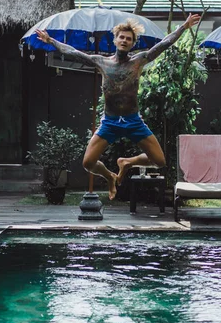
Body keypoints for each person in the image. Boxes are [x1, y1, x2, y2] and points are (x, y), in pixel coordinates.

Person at [36, 13, 200, 199]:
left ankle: (127, 163)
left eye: (128, 39)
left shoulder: (139, 61)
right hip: (110, 122)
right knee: (88, 163)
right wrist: (50, 41)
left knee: (159, 161)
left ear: (133, 44)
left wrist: (184, 26)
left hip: (133, 120)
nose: (124, 41)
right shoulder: (101, 62)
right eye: (121, 37)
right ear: (115, 40)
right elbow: (73, 52)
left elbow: (164, 44)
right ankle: (110, 177)